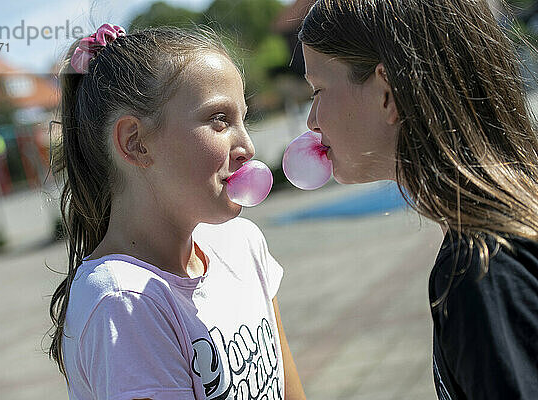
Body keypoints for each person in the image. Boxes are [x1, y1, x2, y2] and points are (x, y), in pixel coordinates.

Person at [47, 24, 306, 400]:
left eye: (242, 119)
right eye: (219, 119)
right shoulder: (123, 302)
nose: (247, 146)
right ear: (135, 143)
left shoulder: (243, 244)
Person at [298, 0, 538, 398]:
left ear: (388, 93)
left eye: (318, 90)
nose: (312, 120)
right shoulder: (501, 230)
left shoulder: (481, 271)